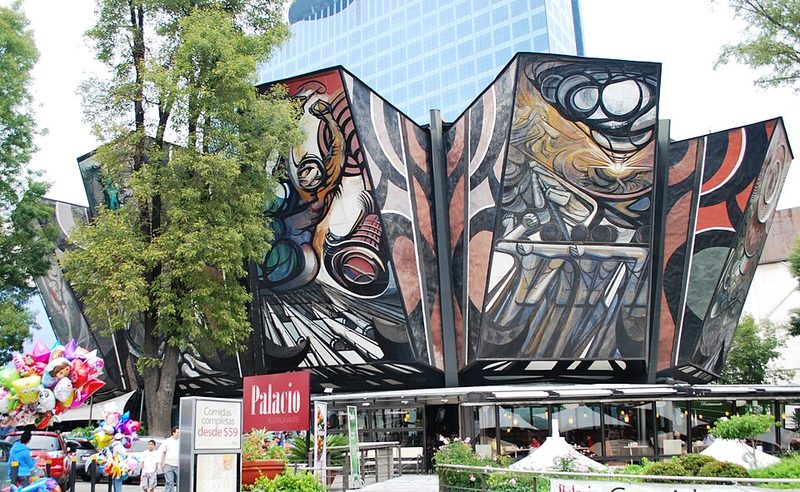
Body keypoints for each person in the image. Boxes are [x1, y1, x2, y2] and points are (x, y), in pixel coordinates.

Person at [161, 426, 180, 492]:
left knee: (179, 482)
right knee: (169, 482)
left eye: (179, 432)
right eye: (177, 432)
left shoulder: (181, 441)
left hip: (178, 465)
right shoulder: (168, 441)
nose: (178, 434)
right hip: (168, 464)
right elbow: (164, 452)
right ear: (173, 433)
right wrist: (162, 462)